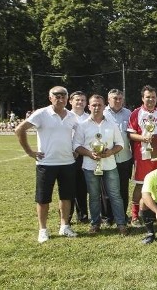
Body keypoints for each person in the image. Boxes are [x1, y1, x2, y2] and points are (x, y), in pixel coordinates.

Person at [16, 86, 79, 243]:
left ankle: (64, 226)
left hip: (68, 163)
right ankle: (43, 230)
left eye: (63, 95)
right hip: (46, 163)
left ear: (67, 98)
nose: (60, 98)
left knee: (66, 197)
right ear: (50, 98)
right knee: (43, 199)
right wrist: (30, 152)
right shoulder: (41, 114)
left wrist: (76, 149)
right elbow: (19, 129)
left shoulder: (72, 116)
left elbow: (78, 135)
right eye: (56, 95)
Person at [73, 94, 127, 235]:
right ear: (89, 106)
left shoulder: (112, 125)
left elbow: (120, 144)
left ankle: (121, 223)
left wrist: (110, 152)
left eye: (99, 105)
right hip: (90, 166)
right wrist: (90, 153)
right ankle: (95, 223)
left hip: (110, 165)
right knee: (94, 196)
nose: (97, 107)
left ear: (104, 107)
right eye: (94, 105)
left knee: (115, 195)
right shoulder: (82, 125)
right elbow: (76, 145)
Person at [127, 85, 157, 226]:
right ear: (142, 98)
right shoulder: (136, 113)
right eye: (148, 97)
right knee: (140, 185)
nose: (151, 99)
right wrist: (143, 138)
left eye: (153, 97)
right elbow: (130, 134)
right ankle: (134, 215)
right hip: (143, 155)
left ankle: (153, 212)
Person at [104, 88, 133, 224]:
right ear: (108, 100)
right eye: (115, 98)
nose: (118, 101)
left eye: (120, 98)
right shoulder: (102, 113)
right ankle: (108, 217)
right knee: (106, 190)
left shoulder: (129, 114)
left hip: (124, 157)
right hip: (106, 158)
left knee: (123, 189)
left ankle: (122, 215)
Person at [68, 90, 89, 224]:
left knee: (82, 187)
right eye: (77, 100)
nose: (80, 102)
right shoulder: (65, 116)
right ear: (71, 101)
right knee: (68, 188)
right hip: (68, 156)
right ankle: (67, 216)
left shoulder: (89, 117)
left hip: (84, 156)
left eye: (83, 100)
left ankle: (82, 216)